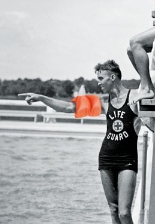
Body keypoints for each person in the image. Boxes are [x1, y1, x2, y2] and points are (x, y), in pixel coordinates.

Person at [19, 60, 142, 224]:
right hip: (106, 158)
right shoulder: (103, 102)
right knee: (114, 210)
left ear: (112, 77)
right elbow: (68, 107)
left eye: (100, 78)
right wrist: (42, 98)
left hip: (127, 159)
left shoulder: (135, 97)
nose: (98, 83)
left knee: (124, 213)